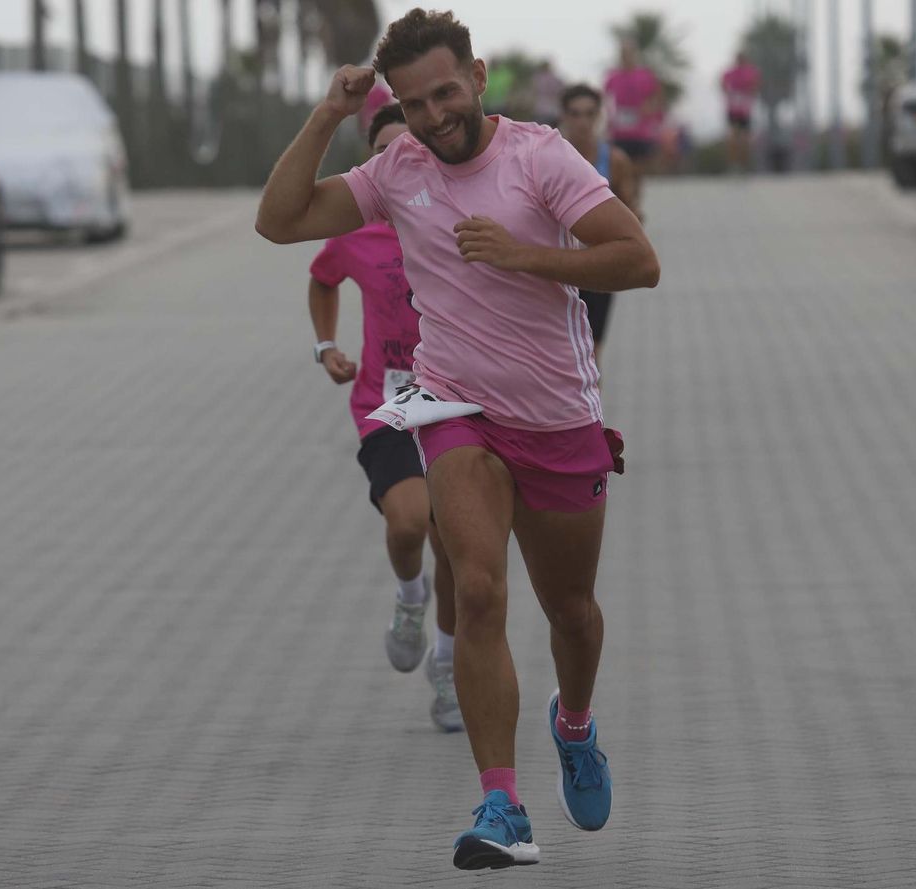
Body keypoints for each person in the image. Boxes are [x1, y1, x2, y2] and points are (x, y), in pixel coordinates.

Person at [255, 6, 659, 871]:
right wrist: (328, 114)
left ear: (477, 77)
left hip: (556, 416)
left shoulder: (540, 158)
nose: (435, 116)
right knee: (476, 590)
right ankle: (502, 804)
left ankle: (575, 724)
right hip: (454, 408)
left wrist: (525, 257)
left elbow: (638, 259)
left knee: (572, 615)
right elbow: (281, 221)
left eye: (446, 93)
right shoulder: (396, 167)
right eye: (416, 102)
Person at [308, 102, 461, 733]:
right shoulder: (355, 230)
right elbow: (322, 280)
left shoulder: (458, 218)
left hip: (460, 398)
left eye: (413, 153)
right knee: (409, 523)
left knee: (457, 540)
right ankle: (409, 597)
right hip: (389, 403)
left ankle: (449, 668)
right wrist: (326, 346)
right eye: (387, 155)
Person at [557, 83, 641, 354]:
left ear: (599, 116)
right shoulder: (549, 159)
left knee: (592, 350)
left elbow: (632, 214)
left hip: (597, 266)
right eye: (575, 114)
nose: (582, 122)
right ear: (564, 116)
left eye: (589, 113)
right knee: (561, 349)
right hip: (556, 266)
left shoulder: (614, 160)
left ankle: (592, 397)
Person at [603, 39, 663, 176]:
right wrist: (608, 117)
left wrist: (650, 109)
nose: (626, 56)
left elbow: (657, 97)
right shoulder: (613, 76)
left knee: (638, 169)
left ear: (634, 55)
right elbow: (606, 98)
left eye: (629, 53)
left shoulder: (645, 75)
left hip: (640, 130)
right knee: (621, 167)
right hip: (619, 130)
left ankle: (636, 193)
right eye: (623, 53)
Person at [721, 51, 761, 174]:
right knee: (732, 137)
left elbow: (756, 85)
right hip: (732, 109)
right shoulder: (729, 73)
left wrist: (750, 94)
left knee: (744, 139)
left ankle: (744, 165)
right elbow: (723, 84)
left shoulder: (750, 72)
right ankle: (733, 164)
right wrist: (729, 94)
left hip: (744, 110)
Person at [529, 59, 564, 128]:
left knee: (540, 134)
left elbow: (533, 94)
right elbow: (561, 94)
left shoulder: (537, 78)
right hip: (554, 111)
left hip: (540, 110)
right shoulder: (556, 79)